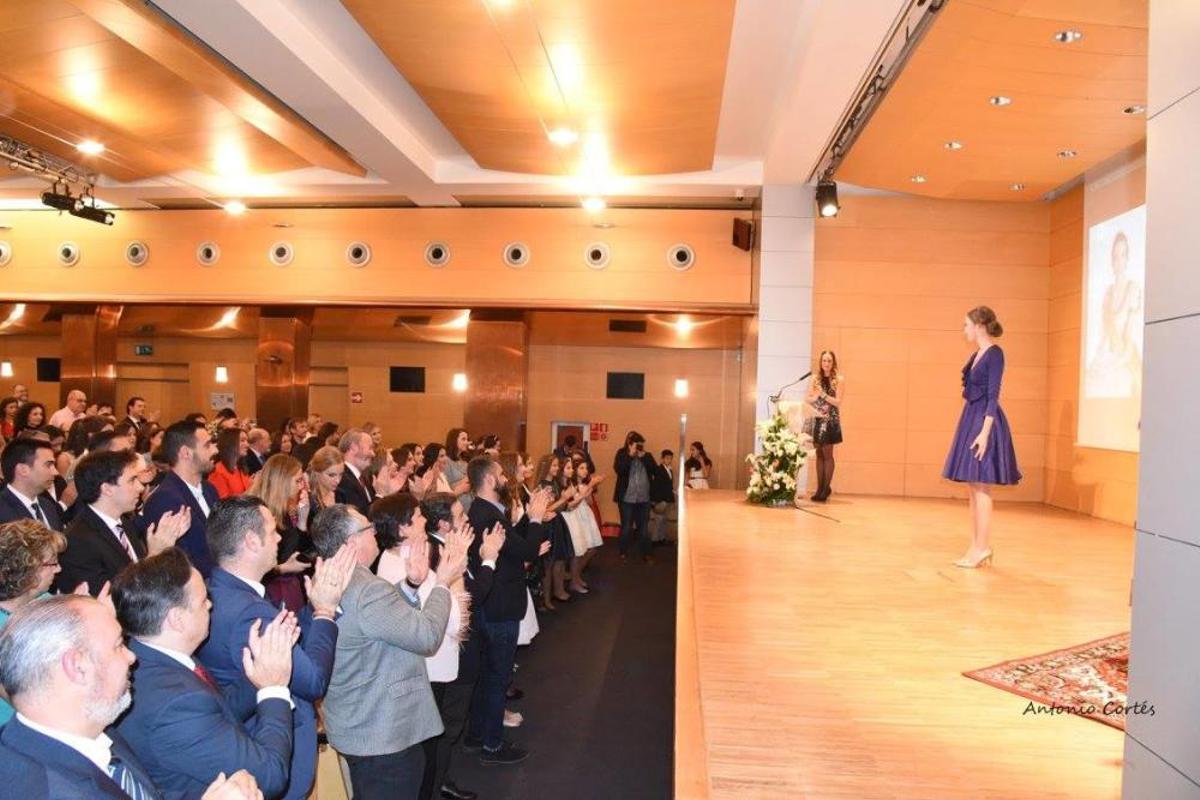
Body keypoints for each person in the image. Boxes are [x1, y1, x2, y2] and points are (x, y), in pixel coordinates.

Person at [0, 595, 265, 800]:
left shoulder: (91, 726)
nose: (131, 657)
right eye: (118, 645)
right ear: (78, 667)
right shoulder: (48, 791)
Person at [200, 496, 355, 800]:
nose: (280, 538)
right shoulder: (248, 611)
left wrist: (314, 607)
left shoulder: (221, 590)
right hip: (270, 748)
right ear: (251, 541)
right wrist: (325, 612)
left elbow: (292, 647)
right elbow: (313, 681)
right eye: (272, 531)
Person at [113, 548, 299, 798]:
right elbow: (270, 775)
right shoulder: (175, 704)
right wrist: (273, 689)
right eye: (203, 600)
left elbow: (221, 707)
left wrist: (262, 666)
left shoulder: (152, 654)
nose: (210, 605)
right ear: (177, 619)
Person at [311, 503, 466, 800]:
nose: (375, 533)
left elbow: (375, 621)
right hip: (384, 734)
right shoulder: (367, 589)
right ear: (352, 542)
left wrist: (410, 585)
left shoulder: (331, 579)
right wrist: (443, 583)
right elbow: (427, 637)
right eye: (368, 528)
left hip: (359, 726)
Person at [412, 492, 504, 800]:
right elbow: (470, 599)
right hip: (453, 655)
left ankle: (441, 779)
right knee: (448, 726)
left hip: (456, 650)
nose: (467, 518)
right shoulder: (436, 554)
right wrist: (490, 558)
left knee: (449, 726)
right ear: (443, 524)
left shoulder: (448, 546)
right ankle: (436, 785)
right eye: (460, 515)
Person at [464, 456, 551, 765]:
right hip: (500, 606)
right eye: (501, 474)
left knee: (487, 675)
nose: (505, 479)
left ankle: (477, 735)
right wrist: (536, 519)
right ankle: (492, 744)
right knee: (497, 677)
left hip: (492, 603)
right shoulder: (488, 514)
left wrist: (527, 521)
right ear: (489, 480)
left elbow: (512, 544)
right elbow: (526, 550)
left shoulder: (483, 510)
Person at [941, 306, 1022, 568]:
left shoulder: (995, 354)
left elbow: (993, 396)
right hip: (971, 417)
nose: (964, 330)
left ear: (978, 326)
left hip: (985, 421)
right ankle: (975, 545)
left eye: (966, 325)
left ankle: (983, 547)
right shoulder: (977, 354)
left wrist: (985, 434)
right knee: (973, 486)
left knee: (982, 486)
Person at [54, 450, 189, 596]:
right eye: (132, 480)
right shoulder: (77, 542)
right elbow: (111, 600)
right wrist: (154, 555)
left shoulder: (124, 523)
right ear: (107, 489)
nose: (141, 487)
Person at [0, 518, 67, 724]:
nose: (59, 569)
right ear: (27, 570)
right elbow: (25, 701)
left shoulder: (45, 601)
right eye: (52, 563)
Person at [141, 420, 220, 577]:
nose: (215, 450)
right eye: (207, 445)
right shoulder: (164, 500)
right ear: (185, 453)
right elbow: (178, 565)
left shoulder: (209, 489)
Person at [245, 455, 313, 612]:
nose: (302, 486)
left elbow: (297, 552)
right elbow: (250, 568)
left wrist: (302, 521)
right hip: (266, 594)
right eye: (298, 481)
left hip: (288, 586)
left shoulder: (288, 508)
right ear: (282, 482)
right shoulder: (255, 512)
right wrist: (283, 569)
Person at [0, 437, 65, 530]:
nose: (55, 472)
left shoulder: (48, 506)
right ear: (23, 470)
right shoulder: (3, 512)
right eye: (48, 465)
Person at [805, 351, 845, 502]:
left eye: (829, 361)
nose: (826, 363)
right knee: (819, 454)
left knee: (828, 454)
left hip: (830, 420)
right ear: (820, 362)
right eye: (824, 360)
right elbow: (807, 399)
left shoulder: (839, 379)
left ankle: (825, 488)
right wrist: (815, 396)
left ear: (833, 363)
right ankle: (820, 488)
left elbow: (838, 402)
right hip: (818, 419)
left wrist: (823, 395)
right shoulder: (815, 379)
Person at [612, 431, 657, 563]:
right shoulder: (622, 454)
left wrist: (644, 458)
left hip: (644, 498)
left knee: (643, 528)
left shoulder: (647, 455)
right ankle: (623, 552)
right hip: (627, 498)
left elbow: (655, 471)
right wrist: (630, 455)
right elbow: (619, 470)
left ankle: (646, 553)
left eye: (641, 445)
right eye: (638, 445)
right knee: (626, 527)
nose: (640, 448)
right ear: (630, 444)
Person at [335, 429, 376, 515]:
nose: (373, 454)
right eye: (370, 448)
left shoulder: (364, 479)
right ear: (354, 448)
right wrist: (380, 494)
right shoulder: (342, 478)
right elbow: (358, 515)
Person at [208, 428, 253, 499]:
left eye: (247, 441)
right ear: (230, 443)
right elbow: (224, 503)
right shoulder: (218, 471)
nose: (247, 445)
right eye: (242, 440)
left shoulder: (241, 468)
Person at [649, 449, 677, 543]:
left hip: (667, 498)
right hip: (660, 499)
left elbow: (668, 485)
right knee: (659, 519)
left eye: (670, 458)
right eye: (667, 458)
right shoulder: (659, 469)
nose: (669, 460)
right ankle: (655, 539)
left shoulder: (670, 470)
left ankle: (662, 538)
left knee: (664, 519)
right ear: (662, 459)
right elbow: (656, 486)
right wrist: (655, 500)